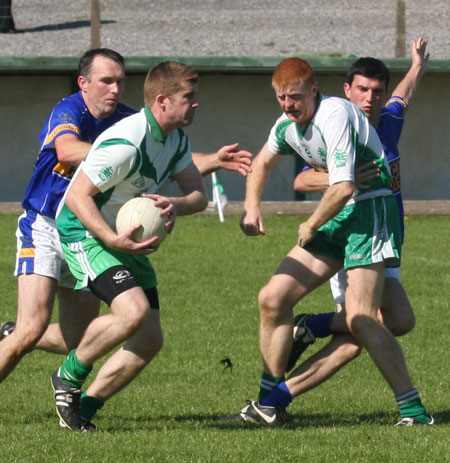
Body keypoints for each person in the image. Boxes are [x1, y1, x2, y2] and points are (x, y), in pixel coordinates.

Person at [0, 49, 252, 383]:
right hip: (45, 226)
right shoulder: (70, 109)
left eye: (120, 81)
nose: (115, 89)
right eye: (106, 81)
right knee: (32, 327)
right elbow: (67, 150)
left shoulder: (127, 121)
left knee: (78, 338)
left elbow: (161, 158)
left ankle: (9, 333)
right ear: (83, 83)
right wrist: (116, 153)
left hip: (88, 231)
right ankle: (19, 334)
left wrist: (214, 160)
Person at [224, 55, 432, 427]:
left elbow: (344, 187)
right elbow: (262, 163)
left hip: (370, 216)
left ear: (314, 89)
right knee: (272, 299)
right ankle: (270, 402)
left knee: (362, 320)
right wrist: (250, 206)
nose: (289, 105)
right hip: (340, 214)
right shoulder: (287, 123)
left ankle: (414, 412)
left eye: (295, 96)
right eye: (282, 98)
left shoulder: (334, 114)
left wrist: (310, 224)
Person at [50, 60, 209, 432]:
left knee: (150, 339)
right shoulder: (126, 142)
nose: (196, 104)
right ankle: (67, 378)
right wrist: (110, 239)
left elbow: (198, 196)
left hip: (123, 237)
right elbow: (76, 197)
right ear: (162, 100)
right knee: (132, 310)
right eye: (189, 97)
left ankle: (83, 409)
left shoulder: (176, 139)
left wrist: (176, 204)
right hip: (85, 232)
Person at [285, 37, 429, 377]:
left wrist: (418, 66)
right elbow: (301, 181)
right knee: (367, 329)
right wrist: (342, 176)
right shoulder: (336, 128)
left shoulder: (389, 121)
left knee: (383, 326)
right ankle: (278, 393)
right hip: (353, 237)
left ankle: (309, 328)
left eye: (376, 91)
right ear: (346, 89)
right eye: (362, 89)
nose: (370, 98)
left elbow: (403, 96)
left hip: (386, 239)